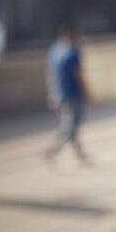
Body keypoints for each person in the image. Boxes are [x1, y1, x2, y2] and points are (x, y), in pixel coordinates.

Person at [44, 25, 90, 163]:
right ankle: (51, 151)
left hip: (59, 94)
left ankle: (80, 155)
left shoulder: (54, 50)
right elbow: (79, 75)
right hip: (73, 93)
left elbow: (49, 73)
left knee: (70, 125)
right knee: (70, 126)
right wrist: (88, 94)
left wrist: (52, 93)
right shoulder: (73, 52)